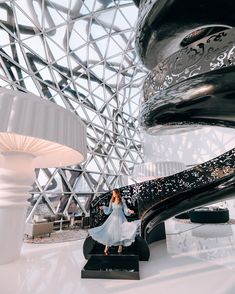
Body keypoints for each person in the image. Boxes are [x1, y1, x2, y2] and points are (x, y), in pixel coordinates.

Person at [88, 188, 140, 255]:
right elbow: (109, 210)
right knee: (109, 232)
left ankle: (120, 247)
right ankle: (107, 247)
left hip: (120, 217)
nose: (113, 194)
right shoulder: (111, 200)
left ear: (117, 193)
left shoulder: (122, 200)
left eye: (113, 193)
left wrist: (130, 211)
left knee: (121, 232)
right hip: (113, 218)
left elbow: (125, 209)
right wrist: (103, 207)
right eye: (112, 193)